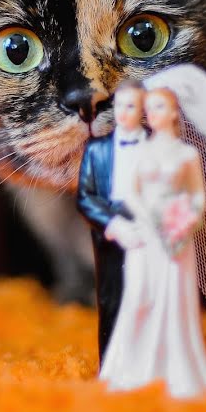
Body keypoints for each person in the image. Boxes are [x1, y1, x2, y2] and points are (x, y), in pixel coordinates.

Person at [98, 87, 206, 398]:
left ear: (173, 113)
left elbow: (197, 194)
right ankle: (132, 363)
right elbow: (132, 193)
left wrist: (186, 219)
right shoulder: (142, 150)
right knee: (140, 293)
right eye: (149, 107)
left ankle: (175, 364)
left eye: (158, 107)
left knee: (175, 297)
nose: (151, 113)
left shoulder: (187, 154)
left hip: (178, 233)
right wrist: (149, 218)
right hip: (146, 231)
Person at [76, 80, 148, 365]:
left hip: (153, 230)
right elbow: (86, 198)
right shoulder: (96, 151)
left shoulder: (155, 145)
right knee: (113, 299)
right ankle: (114, 362)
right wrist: (112, 224)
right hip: (111, 233)